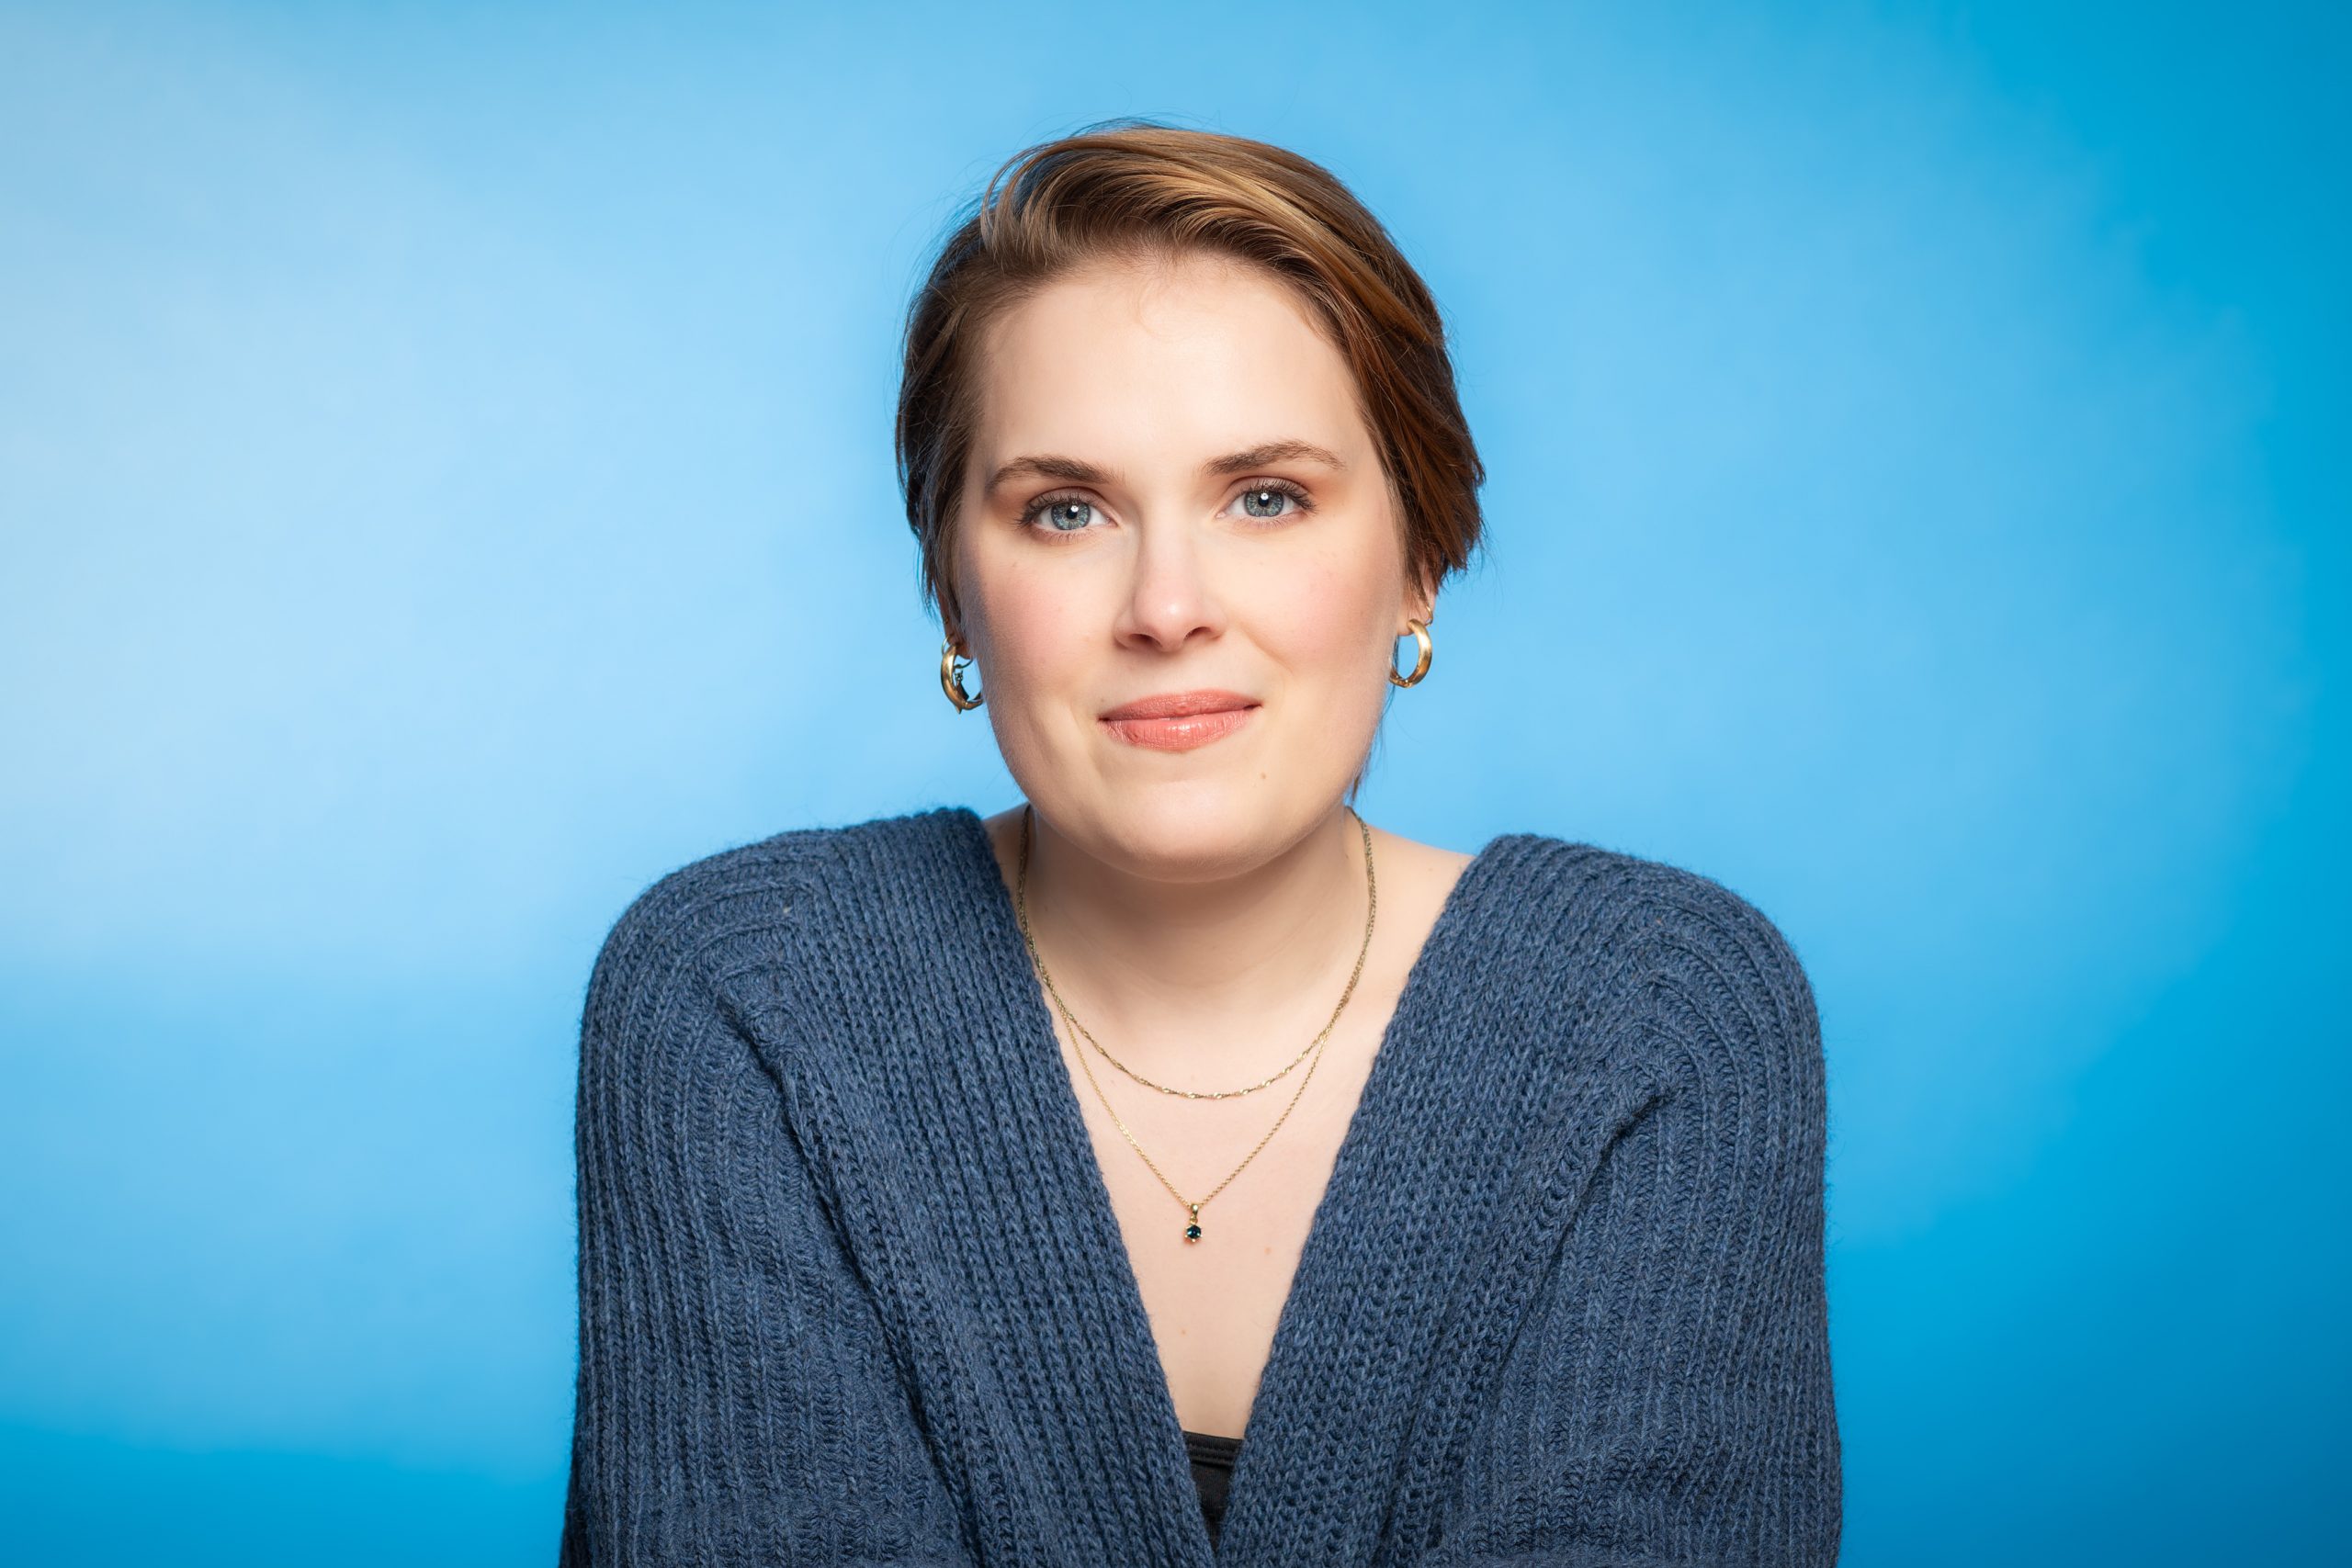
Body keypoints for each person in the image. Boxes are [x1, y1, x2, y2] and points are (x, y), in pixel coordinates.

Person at [559, 121, 1840, 1567]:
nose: (1166, 606)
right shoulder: (750, 995)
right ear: (953, 592)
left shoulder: (1657, 1014)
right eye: (1066, 511)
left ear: (1419, 557)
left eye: (1266, 498)